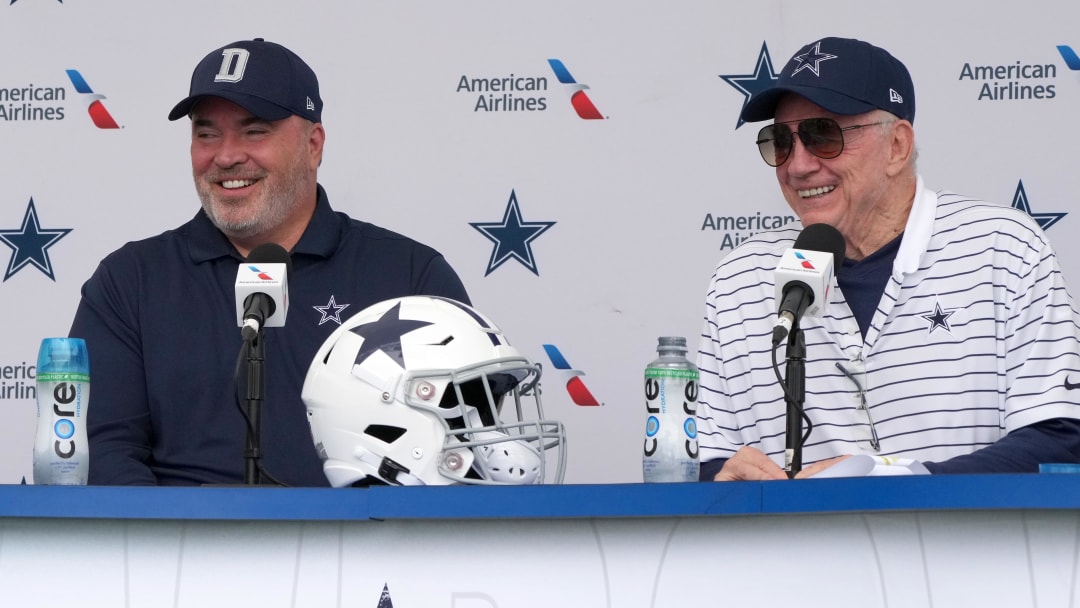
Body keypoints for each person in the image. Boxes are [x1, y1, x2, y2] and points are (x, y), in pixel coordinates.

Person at [68, 38, 470, 486]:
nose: (225, 156)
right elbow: (101, 449)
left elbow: (455, 448)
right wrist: (175, 546)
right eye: (206, 133)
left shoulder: (409, 275)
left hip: (366, 546)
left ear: (313, 145)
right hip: (179, 547)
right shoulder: (130, 281)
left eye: (254, 131)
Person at [697, 37, 1080, 481]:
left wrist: (893, 481)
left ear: (897, 146)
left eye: (823, 135)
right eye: (780, 140)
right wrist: (730, 480)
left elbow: (1059, 438)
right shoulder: (739, 281)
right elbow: (706, 461)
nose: (797, 166)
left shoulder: (1001, 249)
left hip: (966, 546)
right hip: (796, 550)